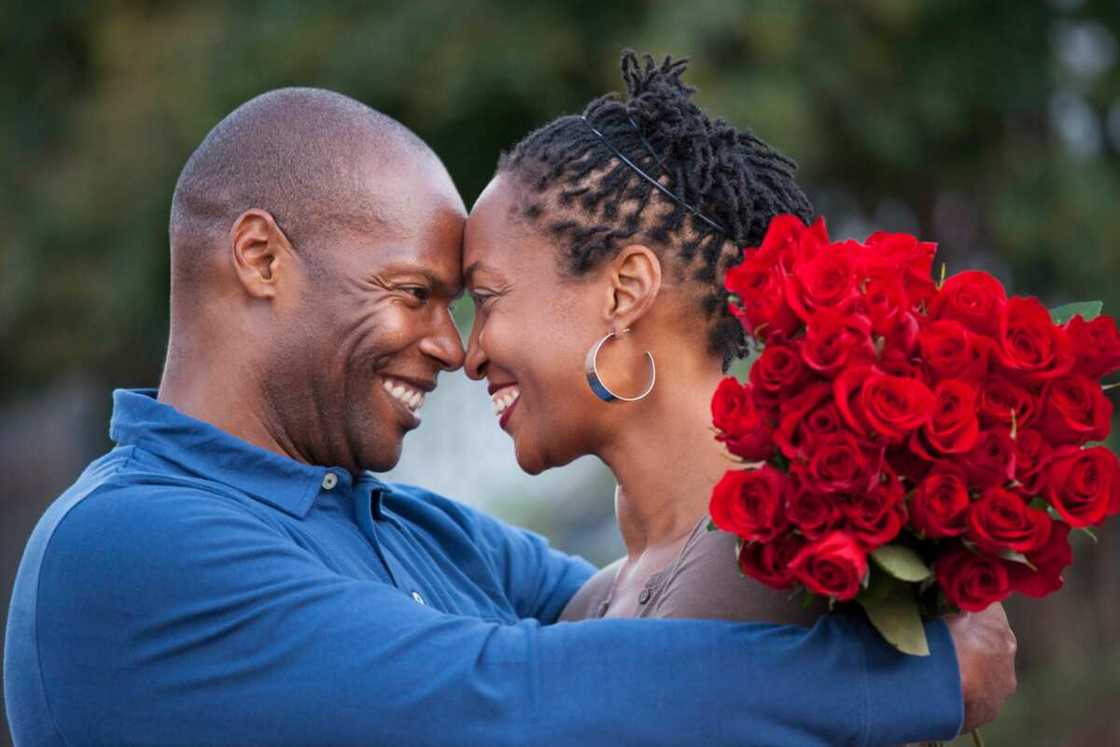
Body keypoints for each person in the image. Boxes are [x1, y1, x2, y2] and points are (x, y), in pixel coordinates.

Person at [5, 87, 1011, 747]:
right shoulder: (124, 545)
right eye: (413, 292)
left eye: (472, 301)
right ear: (260, 259)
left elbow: (653, 625)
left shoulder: (405, 524)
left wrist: (886, 496)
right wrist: (907, 685)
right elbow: (512, 696)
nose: (451, 346)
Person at [461, 47, 1016, 726]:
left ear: (625, 290)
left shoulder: (785, 572)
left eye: (486, 298)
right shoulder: (594, 600)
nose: (469, 353)